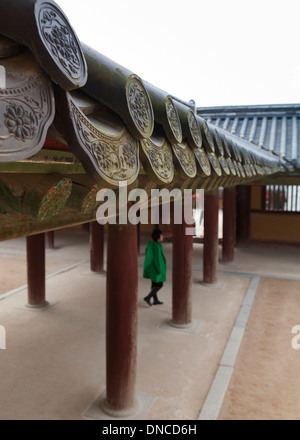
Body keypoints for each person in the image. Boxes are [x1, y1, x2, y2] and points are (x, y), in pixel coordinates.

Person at [143, 228, 166, 306]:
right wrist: (159, 269)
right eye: (161, 235)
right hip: (156, 268)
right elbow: (158, 259)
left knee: (154, 285)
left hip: (152, 268)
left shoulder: (151, 244)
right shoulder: (156, 246)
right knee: (159, 285)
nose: (163, 236)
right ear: (158, 236)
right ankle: (148, 297)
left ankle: (155, 300)